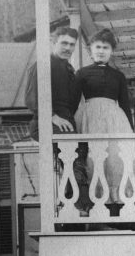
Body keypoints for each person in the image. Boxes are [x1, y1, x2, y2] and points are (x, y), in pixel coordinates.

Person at [24, 26, 88, 211]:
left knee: (79, 158)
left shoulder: (68, 68)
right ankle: (77, 208)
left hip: (66, 124)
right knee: (72, 156)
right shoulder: (43, 65)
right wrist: (52, 116)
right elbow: (31, 98)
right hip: (46, 122)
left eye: (72, 45)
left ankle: (74, 209)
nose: (68, 48)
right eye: (64, 43)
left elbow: (73, 102)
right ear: (54, 42)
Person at [73, 28, 135, 207]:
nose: (101, 51)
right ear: (91, 49)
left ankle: (115, 197)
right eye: (98, 47)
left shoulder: (118, 76)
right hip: (90, 119)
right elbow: (73, 102)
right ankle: (95, 198)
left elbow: (124, 104)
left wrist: (130, 132)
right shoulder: (82, 73)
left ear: (112, 51)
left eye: (105, 47)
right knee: (93, 157)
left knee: (114, 158)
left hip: (114, 120)